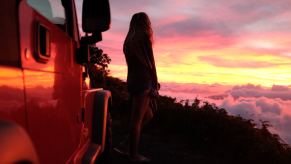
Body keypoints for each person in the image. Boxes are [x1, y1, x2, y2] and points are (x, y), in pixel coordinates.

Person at [123, 12, 159, 162]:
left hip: (132, 80)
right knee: (136, 120)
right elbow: (152, 63)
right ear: (146, 23)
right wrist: (155, 84)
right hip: (144, 81)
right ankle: (133, 154)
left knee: (148, 115)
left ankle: (128, 143)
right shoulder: (144, 38)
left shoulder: (128, 42)